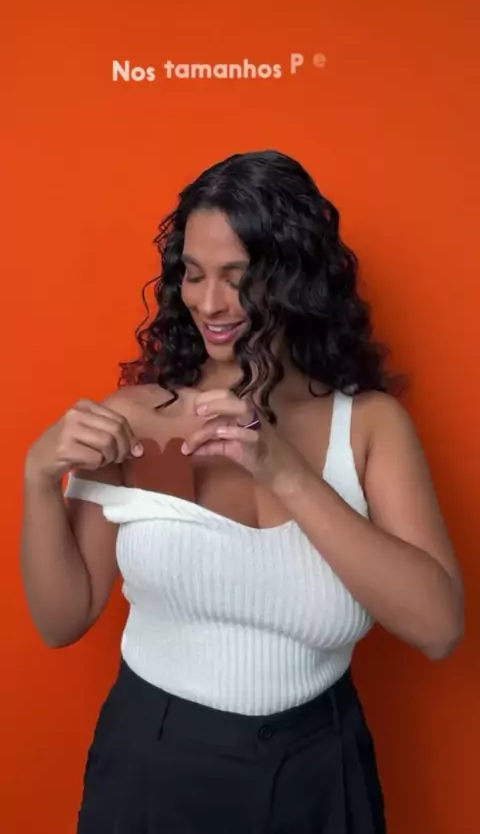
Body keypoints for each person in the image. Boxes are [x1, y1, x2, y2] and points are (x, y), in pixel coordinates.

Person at [20, 149, 463, 834]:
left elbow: (437, 628)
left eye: (238, 277)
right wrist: (37, 480)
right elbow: (62, 619)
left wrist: (284, 471)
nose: (208, 303)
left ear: (296, 279)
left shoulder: (367, 427)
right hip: (151, 764)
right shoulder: (139, 421)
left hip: (321, 770)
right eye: (193, 274)